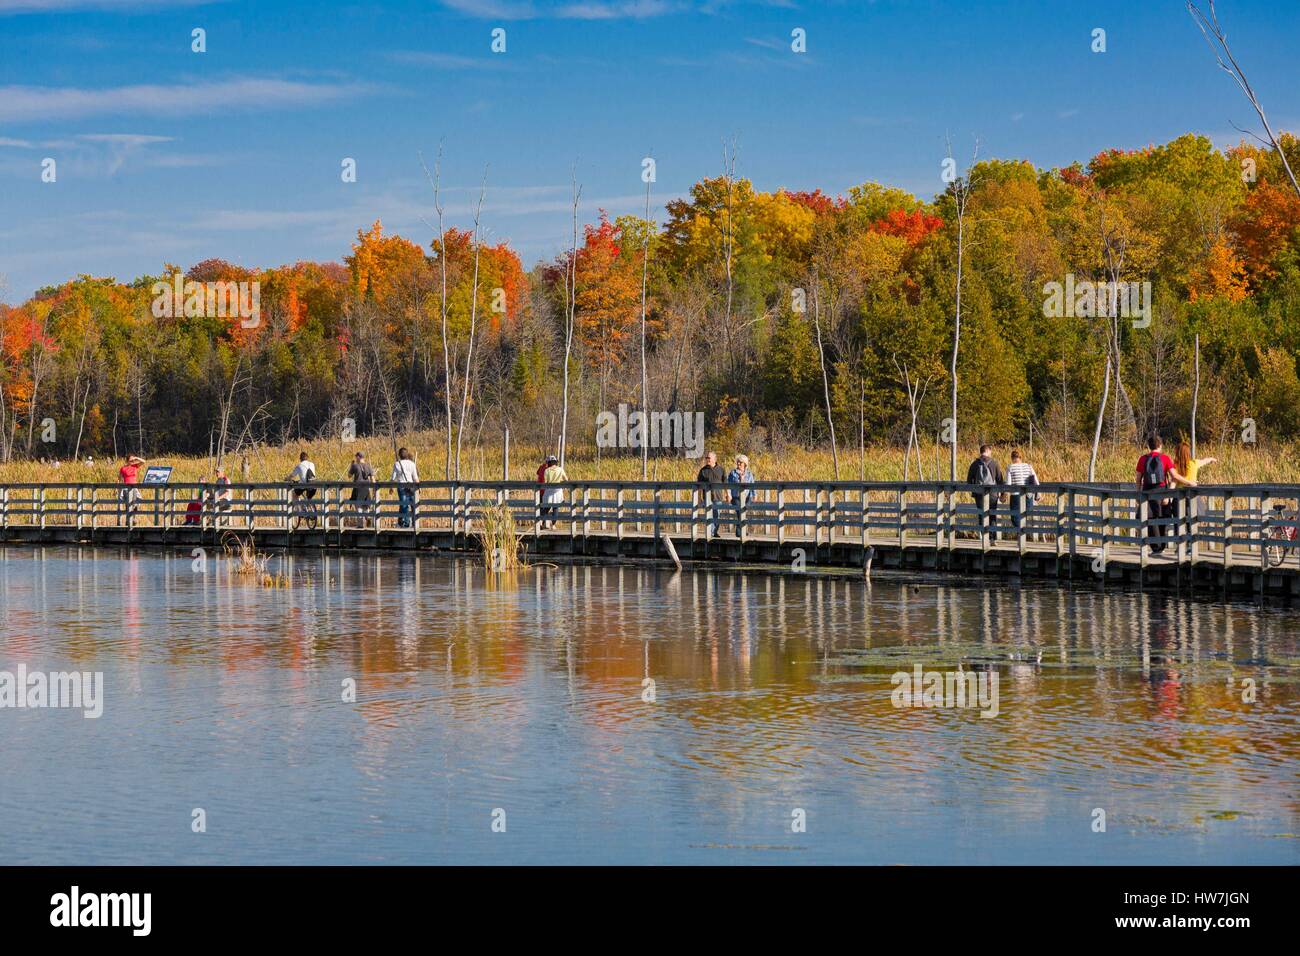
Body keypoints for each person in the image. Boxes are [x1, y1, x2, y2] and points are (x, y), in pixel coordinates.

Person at [1136, 434, 1187, 554]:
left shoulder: (1143, 459)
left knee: (1150, 518)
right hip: (1162, 491)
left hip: (1147, 492)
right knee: (1163, 517)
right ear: (1160, 445)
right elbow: (1174, 476)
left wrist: (1138, 493)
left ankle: (1155, 548)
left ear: (1149, 446)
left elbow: (1138, 479)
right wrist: (1189, 482)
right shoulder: (1165, 458)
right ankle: (1162, 546)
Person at [965, 445, 1005, 540]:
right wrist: (1002, 493)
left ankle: (983, 537)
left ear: (981, 452)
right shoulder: (994, 463)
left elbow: (969, 480)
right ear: (988, 451)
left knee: (981, 514)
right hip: (993, 494)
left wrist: (974, 491)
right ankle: (992, 538)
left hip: (979, 494)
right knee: (992, 514)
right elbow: (1000, 479)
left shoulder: (975, 464)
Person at [1005, 448, 1039, 536]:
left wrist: (1004, 494)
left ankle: (1020, 534)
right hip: (1028, 495)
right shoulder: (1028, 466)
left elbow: (1008, 484)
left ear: (1012, 458)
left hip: (1016, 495)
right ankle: (1022, 535)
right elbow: (1036, 481)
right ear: (1020, 457)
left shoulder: (1010, 467)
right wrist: (1037, 494)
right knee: (1024, 515)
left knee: (1015, 516)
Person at [696, 450, 726, 538]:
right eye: (706, 458)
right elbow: (699, 486)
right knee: (709, 515)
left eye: (709, 458)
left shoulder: (721, 470)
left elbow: (725, 483)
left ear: (714, 459)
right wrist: (698, 498)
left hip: (718, 497)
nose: (707, 459)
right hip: (707, 497)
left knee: (717, 515)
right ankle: (711, 533)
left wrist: (728, 494)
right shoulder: (703, 470)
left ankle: (714, 532)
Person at [286, 451, 318, 527]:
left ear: (300, 459)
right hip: (313, 485)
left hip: (304, 485)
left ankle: (301, 511)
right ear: (307, 458)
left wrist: (286, 478)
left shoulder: (299, 465)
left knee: (294, 494)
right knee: (308, 498)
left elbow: (292, 475)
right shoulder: (312, 464)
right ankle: (311, 511)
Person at [726, 454, 755, 537]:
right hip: (736, 496)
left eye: (740, 462)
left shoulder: (749, 474)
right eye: (738, 462)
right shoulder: (733, 473)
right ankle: (740, 532)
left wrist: (754, 495)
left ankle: (740, 531)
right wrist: (729, 495)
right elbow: (728, 484)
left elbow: (752, 484)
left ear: (745, 464)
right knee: (739, 512)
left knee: (743, 512)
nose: (738, 464)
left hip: (747, 496)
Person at [391, 447, 419, 528]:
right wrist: (419, 488)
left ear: (399, 455)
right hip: (411, 486)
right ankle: (414, 523)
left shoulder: (397, 464)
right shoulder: (412, 464)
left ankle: (406, 523)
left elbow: (393, 478)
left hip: (401, 486)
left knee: (404, 505)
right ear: (407, 455)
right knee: (413, 504)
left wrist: (391, 487)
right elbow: (416, 478)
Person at [347, 452, 375, 528]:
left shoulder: (355, 466)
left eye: (356, 457)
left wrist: (351, 465)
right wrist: (375, 488)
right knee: (366, 505)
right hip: (366, 488)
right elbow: (373, 479)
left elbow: (349, 476)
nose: (356, 458)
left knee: (358, 506)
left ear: (359, 457)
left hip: (357, 488)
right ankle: (367, 517)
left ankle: (360, 525)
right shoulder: (368, 466)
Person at [541, 455, 568, 529]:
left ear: (549, 462)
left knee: (546, 508)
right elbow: (566, 479)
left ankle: (542, 522)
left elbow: (545, 482)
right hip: (558, 491)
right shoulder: (560, 469)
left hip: (549, 490)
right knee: (555, 508)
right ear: (556, 462)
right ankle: (553, 525)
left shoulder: (547, 470)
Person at [119, 454, 145, 520]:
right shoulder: (123, 468)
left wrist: (136, 458)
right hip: (126, 487)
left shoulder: (135, 466)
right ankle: (130, 520)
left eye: (133, 460)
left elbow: (143, 461)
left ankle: (132, 518)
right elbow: (120, 478)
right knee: (129, 504)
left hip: (134, 487)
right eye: (131, 460)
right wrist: (118, 488)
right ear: (127, 461)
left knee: (139, 500)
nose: (132, 461)